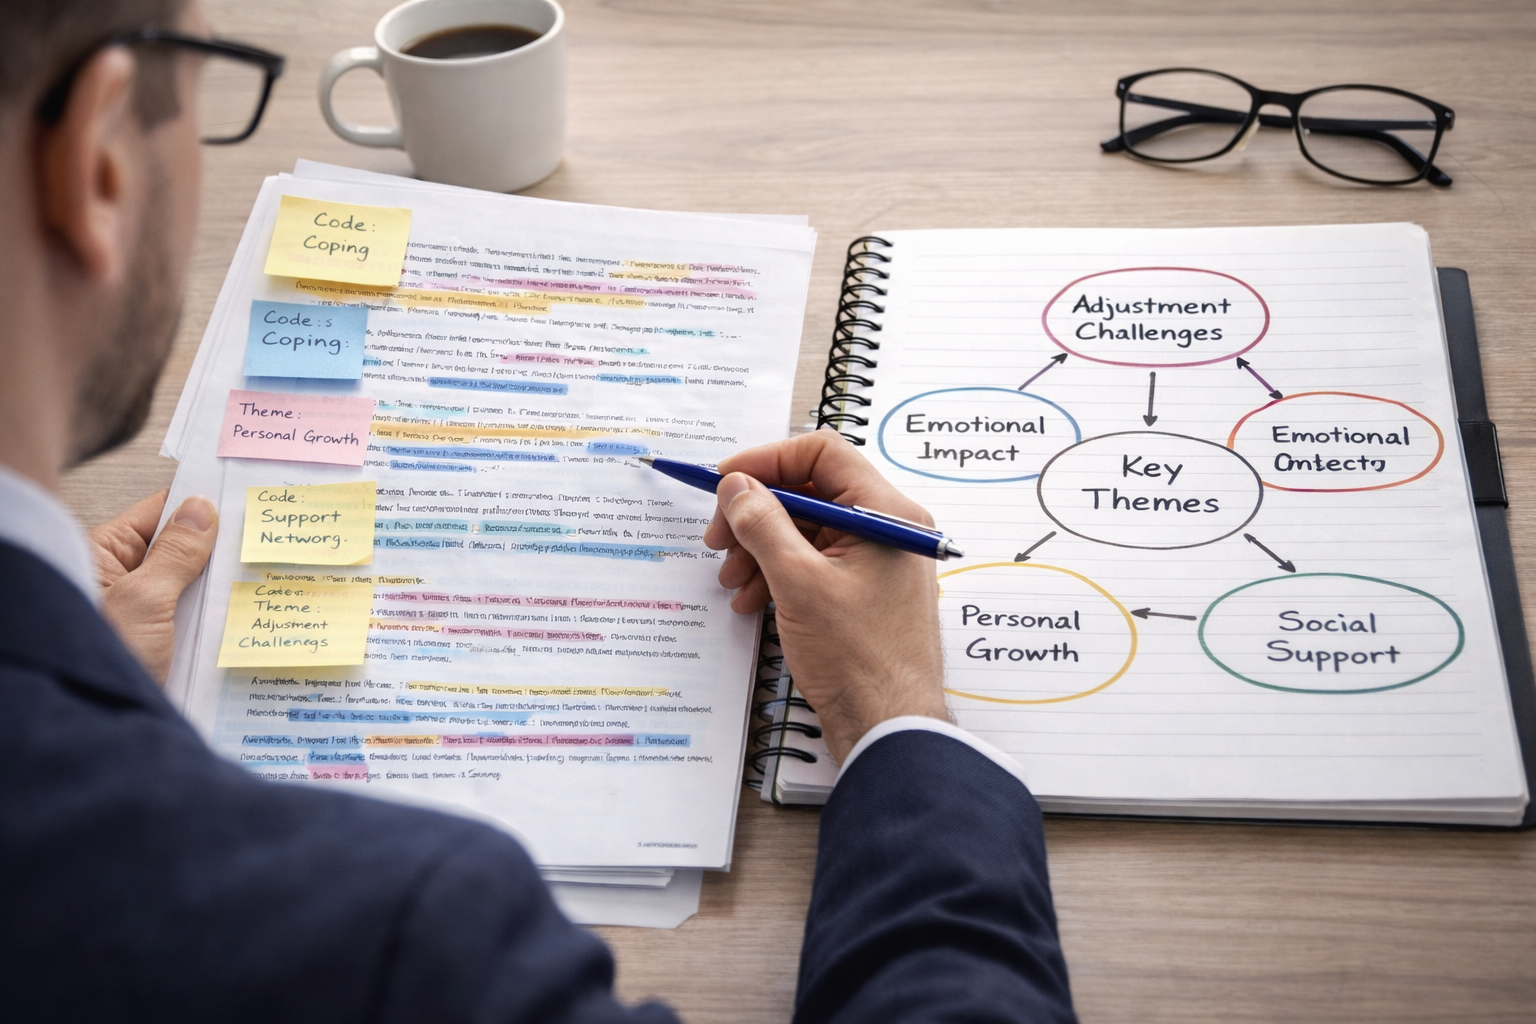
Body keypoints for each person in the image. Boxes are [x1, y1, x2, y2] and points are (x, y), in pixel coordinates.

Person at [0, 0, 1078, 1020]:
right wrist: (897, 711)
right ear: (94, 164)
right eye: (207, 84)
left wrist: (88, 710)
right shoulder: (401, 934)